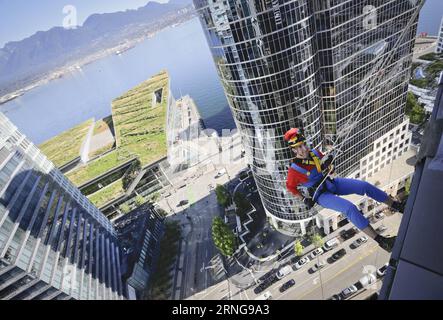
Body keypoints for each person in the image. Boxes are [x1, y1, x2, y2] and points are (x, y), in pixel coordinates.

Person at [284, 128, 404, 252]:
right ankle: (382, 241)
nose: (303, 149)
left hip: (331, 183)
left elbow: (328, 169)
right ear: (294, 150)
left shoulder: (315, 153)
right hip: (321, 195)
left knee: (364, 186)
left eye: (303, 144)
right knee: (349, 208)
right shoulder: (294, 170)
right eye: (298, 147)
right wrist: (304, 199)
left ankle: (397, 205)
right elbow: (290, 187)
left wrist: (330, 166)